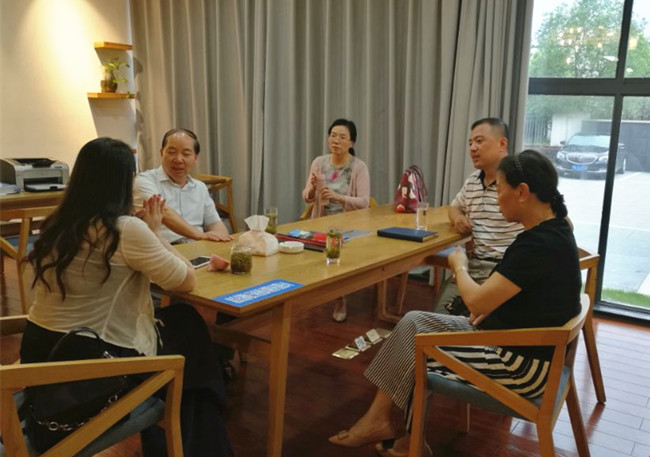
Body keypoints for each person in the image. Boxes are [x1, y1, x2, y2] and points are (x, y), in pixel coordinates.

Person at [328, 150, 581, 456]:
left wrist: (458, 265)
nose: (497, 198)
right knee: (412, 322)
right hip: (525, 345)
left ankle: (405, 441)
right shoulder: (556, 229)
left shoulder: (537, 244)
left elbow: (475, 302)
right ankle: (381, 420)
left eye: (501, 189)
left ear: (522, 192)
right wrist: (491, 309)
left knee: (418, 351)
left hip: (521, 366)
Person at [21, 138, 233, 456]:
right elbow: (186, 280)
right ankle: (198, 441)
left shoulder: (56, 223)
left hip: (40, 353)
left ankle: (180, 436)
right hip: (91, 369)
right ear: (123, 183)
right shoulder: (124, 229)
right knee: (190, 338)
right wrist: (155, 231)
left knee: (185, 333)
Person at [434, 117, 523, 312]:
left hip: (507, 271)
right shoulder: (473, 181)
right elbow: (454, 207)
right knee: (436, 315)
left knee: (461, 319)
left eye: (479, 141)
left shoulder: (520, 181)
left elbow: (552, 221)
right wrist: (458, 218)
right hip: (474, 265)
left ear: (502, 144)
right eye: (470, 143)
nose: (473, 148)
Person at [302, 118, 371, 322]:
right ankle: (313, 293)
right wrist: (312, 189)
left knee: (336, 251)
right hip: (320, 222)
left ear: (351, 142)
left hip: (349, 225)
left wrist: (338, 197)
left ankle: (340, 298)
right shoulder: (319, 163)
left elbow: (364, 202)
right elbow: (306, 197)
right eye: (333, 136)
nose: (336, 140)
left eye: (342, 137)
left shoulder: (359, 167)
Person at [134, 128, 231, 244]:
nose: (178, 159)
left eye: (186, 154)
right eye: (172, 152)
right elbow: (164, 212)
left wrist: (222, 240)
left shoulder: (200, 187)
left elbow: (214, 223)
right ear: (162, 153)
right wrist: (200, 235)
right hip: (162, 247)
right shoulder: (144, 181)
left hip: (197, 246)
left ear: (195, 158)